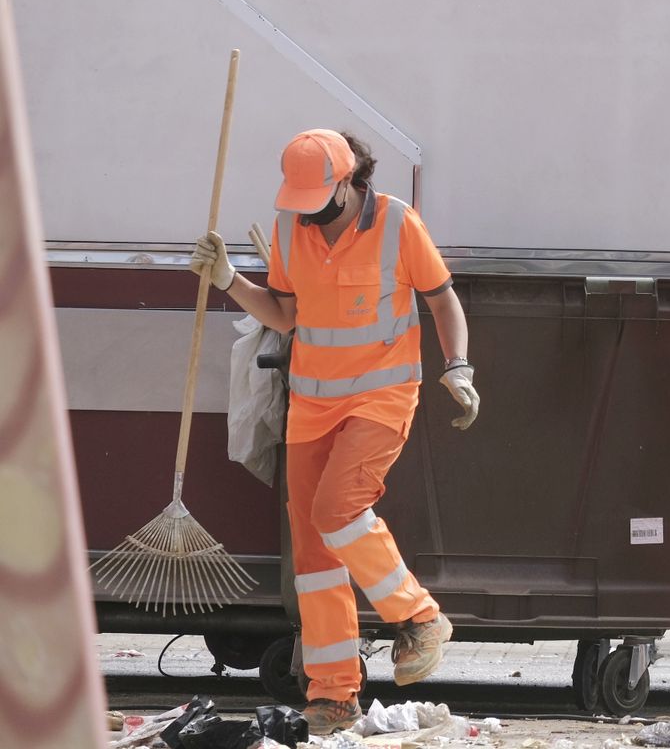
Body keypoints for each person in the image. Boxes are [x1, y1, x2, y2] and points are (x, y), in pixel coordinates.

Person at [189, 129, 480, 736]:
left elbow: (442, 299)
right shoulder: (292, 226)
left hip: (381, 396)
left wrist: (458, 366)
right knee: (315, 554)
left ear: (349, 180)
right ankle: (333, 695)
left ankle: (420, 617)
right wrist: (229, 281)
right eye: (300, 199)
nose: (310, 211)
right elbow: (285, 314)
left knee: (339, 511)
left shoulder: (398, 224)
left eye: (321, 196)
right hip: (313, 407)